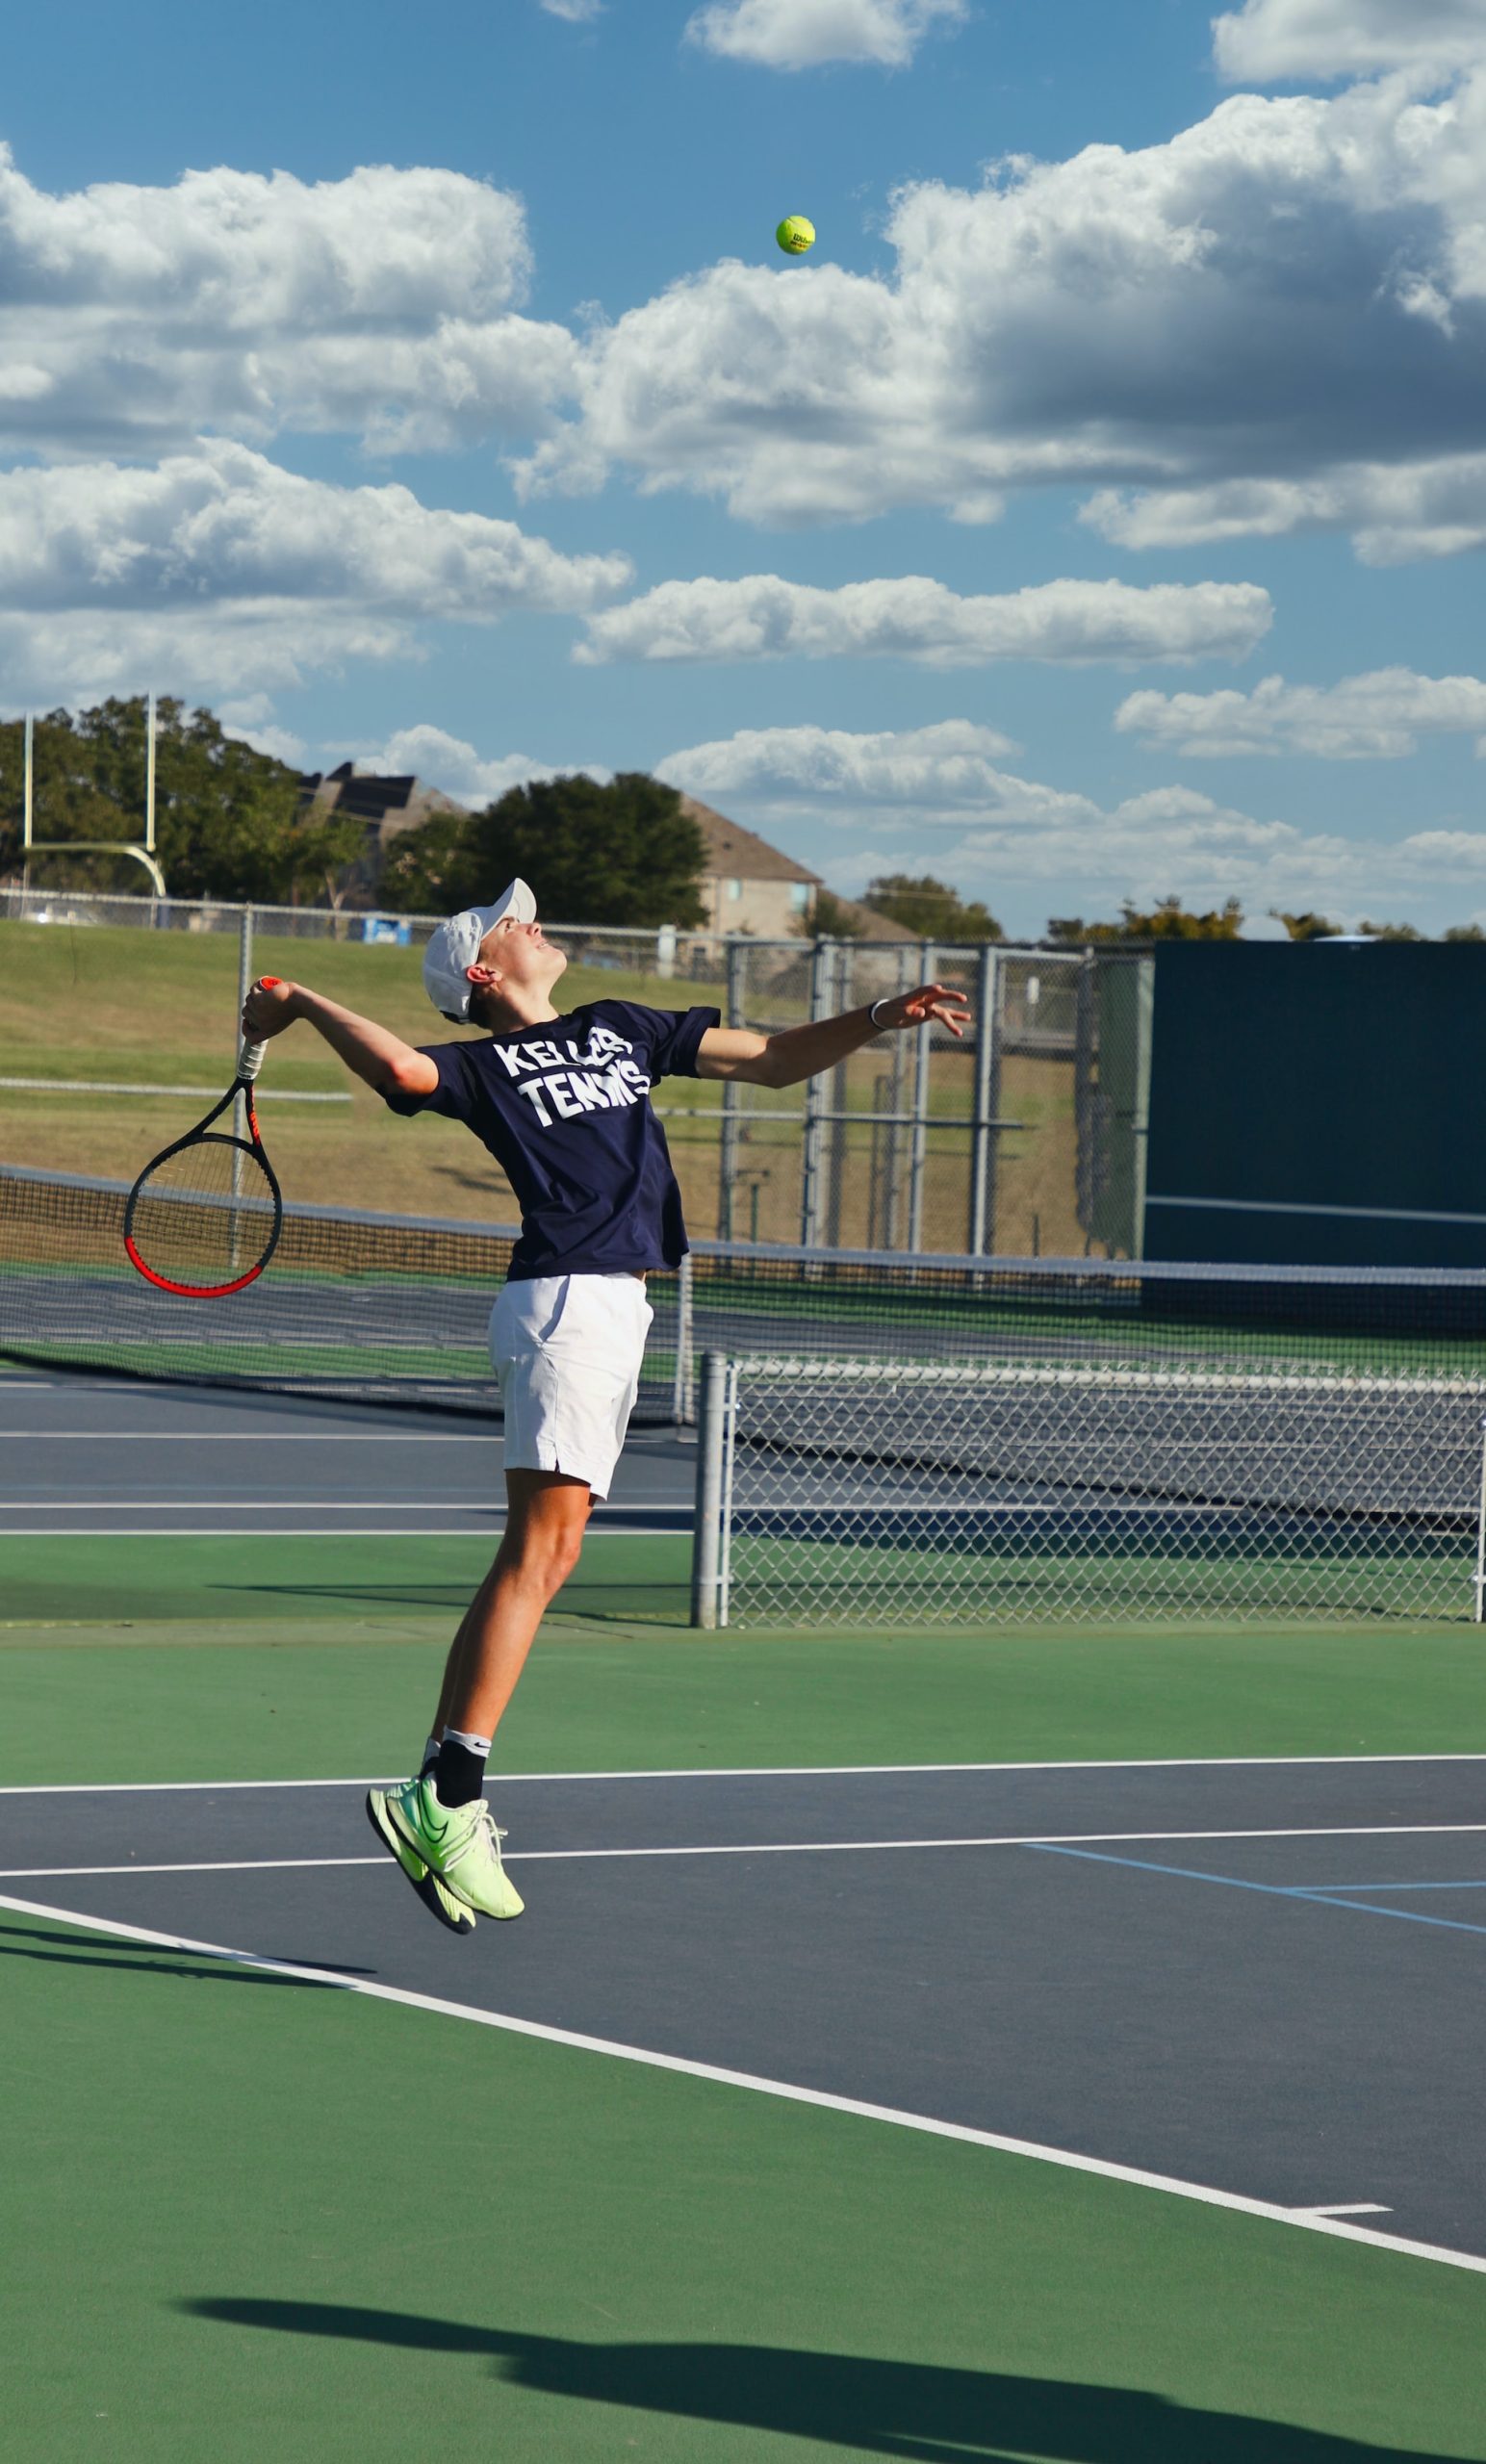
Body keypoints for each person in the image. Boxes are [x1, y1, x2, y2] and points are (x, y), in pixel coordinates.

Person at [242, 880, 969, 1936]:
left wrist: (874, 1018)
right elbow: (401, 1070)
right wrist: (302, 999)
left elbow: (766, 1059)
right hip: (565, 1300)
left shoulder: (618, 1029)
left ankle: (443, 1789)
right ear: (481, 972)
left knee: (547, 1550)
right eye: (507, 921)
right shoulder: (477, 1065)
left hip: (616, 1304)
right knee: (541, 1551)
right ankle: (444, 1795)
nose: (531, 919)